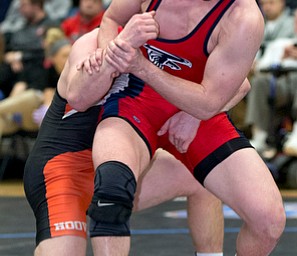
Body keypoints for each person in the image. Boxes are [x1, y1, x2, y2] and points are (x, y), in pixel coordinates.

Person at [68, 1, 286, 255]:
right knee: (111, 193)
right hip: (136, 101)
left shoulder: (242, 16)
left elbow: (212, 100)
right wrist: (113, 55)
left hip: (196, 110)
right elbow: (112, 18)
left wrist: (141, 67)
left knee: (268, 221)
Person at [24, 26, 224, 256]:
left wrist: (192, 114)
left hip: (113, 167)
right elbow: (77, 96)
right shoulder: (91, 44)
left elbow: (237, 84)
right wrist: (113, 56)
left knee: (202, 175)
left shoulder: (168, 50)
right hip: (64, 169)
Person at [245, 0, 295, 152]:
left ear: (282, 3)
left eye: (271, 2)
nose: (267, 7)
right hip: (272, 74)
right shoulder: (258, 21)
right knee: (259, 82)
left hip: (292, 75)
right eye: (264, 3)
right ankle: (259, 134)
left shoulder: (291, 20)